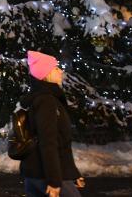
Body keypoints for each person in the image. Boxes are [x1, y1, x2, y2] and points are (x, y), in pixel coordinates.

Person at [20, 51, 84, 197]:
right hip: (46, 174)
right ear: (46, 74)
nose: (60, 71)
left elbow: (60, 143)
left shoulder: (42, 99)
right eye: (55, 68)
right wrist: (54, 181)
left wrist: (73, 173)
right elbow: (48, 142)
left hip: (36, 173)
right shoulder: (47, 101)